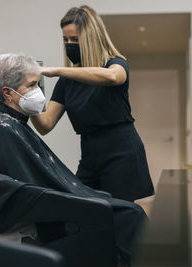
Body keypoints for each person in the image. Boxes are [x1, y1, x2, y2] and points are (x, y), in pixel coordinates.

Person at [0, 53, 146, 266]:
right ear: (8, 93)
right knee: (131, 213)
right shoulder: (1, 129)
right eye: (32, 85)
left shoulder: (6, 124)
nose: (38, 91)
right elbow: (24, 187)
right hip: (48, 212)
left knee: (115, 205)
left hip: (52, 202)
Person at [30, 5, 154, 202]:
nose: (69, 44)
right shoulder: (67, 82)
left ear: (90, 38)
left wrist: (57, 70)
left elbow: (113, 77)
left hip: (121, 151)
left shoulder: (115, 63)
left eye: (75, 39)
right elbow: (45, 125)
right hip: (90, 155)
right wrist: (27, 97)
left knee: (121, 217)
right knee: (84, 210)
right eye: (65, 39)